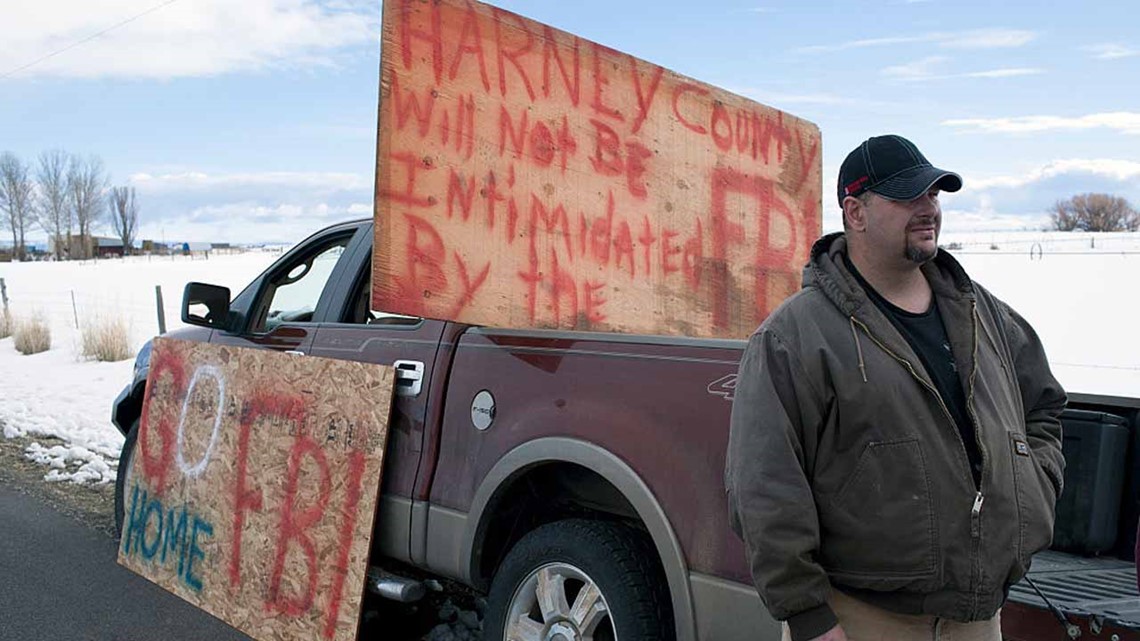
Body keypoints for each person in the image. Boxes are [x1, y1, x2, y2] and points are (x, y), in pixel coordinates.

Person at [725, 134, 1067, 641]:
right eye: (908, 196)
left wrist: (1032, 485)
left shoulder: (984, 314)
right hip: (861, 618)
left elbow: (1044, 408)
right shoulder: (794, 336)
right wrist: (808, 615)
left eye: (933, 195)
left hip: (977, 617)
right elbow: (764, 483)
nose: (928, 208)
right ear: (855, 212)